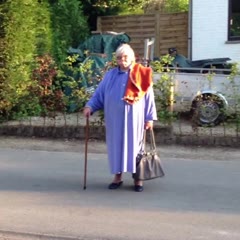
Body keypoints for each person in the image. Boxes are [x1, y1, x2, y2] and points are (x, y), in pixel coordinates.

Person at [83, 43, 157, 192]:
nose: (122, 60)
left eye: (125, 57)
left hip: (135, 120)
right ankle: (117, 177)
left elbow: (149, 97)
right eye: (118, 58)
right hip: (114, 120)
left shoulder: (141, 73)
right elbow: (99, 94)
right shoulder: (110, 75)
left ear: (131, 58)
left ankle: (138, 180)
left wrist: (149, 118)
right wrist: (90, 106)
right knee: (116, 148)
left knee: (136, 149)